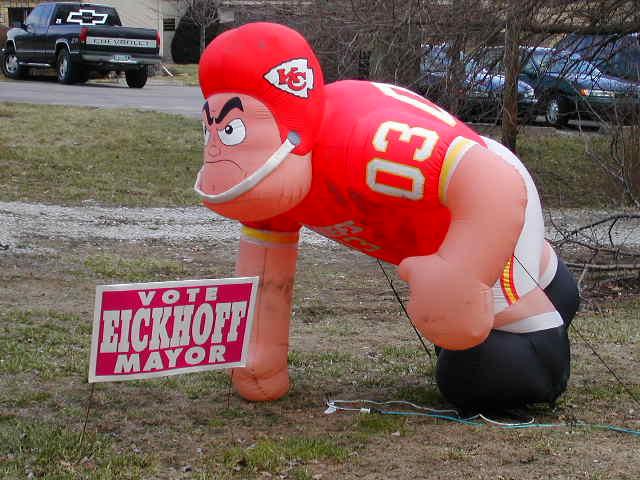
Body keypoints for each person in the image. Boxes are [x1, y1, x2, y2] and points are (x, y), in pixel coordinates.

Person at [194, 22, 580, 411]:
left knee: (481, 374)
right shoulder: (272, 186)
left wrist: (462, 274)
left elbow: (491, 180)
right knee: (467, 334)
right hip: (430, 231)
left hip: (488, 201)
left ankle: (538, 329)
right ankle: (551, 285)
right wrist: (259, 364)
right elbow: (266, 276)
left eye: (233, 129)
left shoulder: (362, 137)